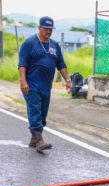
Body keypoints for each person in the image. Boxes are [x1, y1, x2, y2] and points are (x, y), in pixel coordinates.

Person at [18, 16, 71, 152]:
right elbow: (22, 64)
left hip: (46, 86)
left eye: (50, 29)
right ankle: (39, 139)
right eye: (46, 29)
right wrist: (23, 81)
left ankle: (33, 140)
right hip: (31, 85)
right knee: (35, 109)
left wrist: (68, 80)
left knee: (42, 114)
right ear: (39, 28)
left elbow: (61, 65)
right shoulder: (29, 43)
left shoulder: (54, 45)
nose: (48, 31)